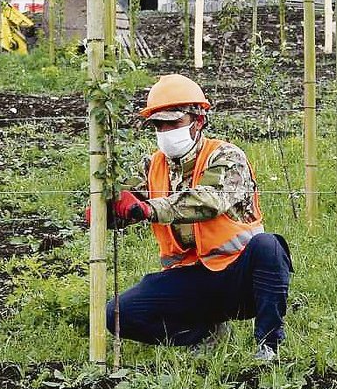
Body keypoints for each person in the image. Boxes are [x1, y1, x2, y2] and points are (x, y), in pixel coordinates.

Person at [99, 74, 292, 361]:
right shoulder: (152, 165)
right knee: (116, 314)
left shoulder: (226, 156)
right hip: (188, 277)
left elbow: (208, 201)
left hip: (238, 276)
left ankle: (268, 344)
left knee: (269, 247)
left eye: (173, 123)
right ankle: (204, 333)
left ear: (198, 121)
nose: (165, 131)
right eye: (158, 125)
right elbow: (129, 199)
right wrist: (105, 209)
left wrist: (149, 209)